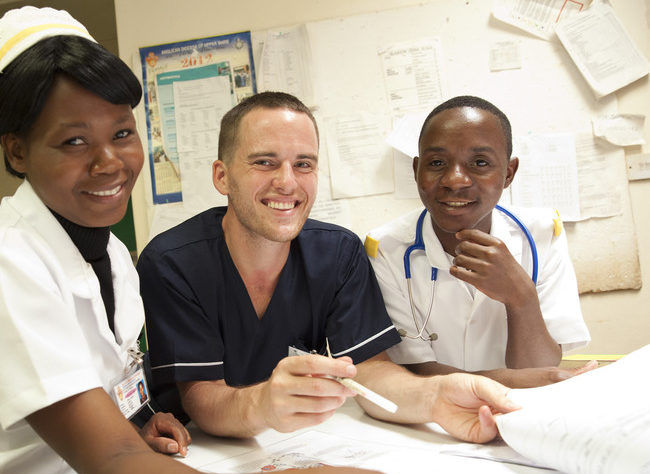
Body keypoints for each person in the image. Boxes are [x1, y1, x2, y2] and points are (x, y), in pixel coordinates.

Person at [0, 7, 496, 474]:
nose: (108, 162)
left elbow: (105, 388)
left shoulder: (112, 258)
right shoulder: (0, 265)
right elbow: (119, 466)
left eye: (122, 133)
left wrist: (138, 421)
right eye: (73, 141)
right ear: (17, 151)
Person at [137, 91, 519, 442]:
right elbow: (201, 397)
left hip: (300, 443)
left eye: (303, 164)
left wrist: (437, 396)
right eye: (264, 162)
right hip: (202, 450)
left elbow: (370, 372)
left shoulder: (337, 255)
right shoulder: (173, 263)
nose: (287, 182)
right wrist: (264, 403)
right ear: (222, 176)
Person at [365, 95, 592, 388]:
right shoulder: (385, 249)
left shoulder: (543, 235)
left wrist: (520, 297)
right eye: (436, 162)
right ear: (416, 170)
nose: (455, 180)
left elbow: (538, 370)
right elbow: (415, 369)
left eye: (480, 162)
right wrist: (509, 380)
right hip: (430, 419)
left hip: (520, 414)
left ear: (508, 173)